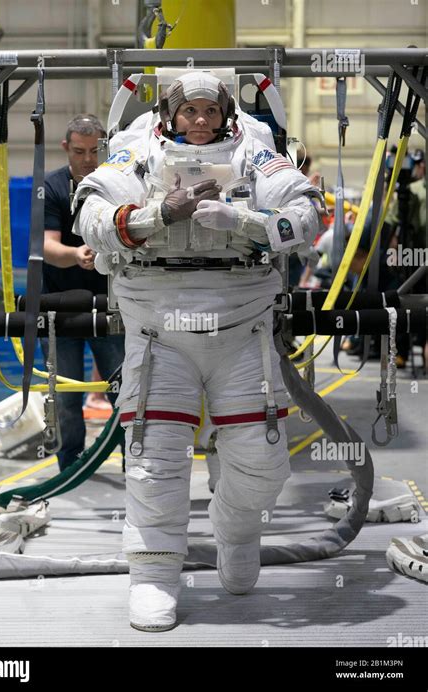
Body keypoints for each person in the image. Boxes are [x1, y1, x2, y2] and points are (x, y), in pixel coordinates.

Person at [73, 72, 323, 631]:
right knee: (154, 459)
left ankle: (236, 530)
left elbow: (308, 213)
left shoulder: (255, 150)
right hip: (161, 327)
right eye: (190, 112)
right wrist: (155, 215)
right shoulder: (136, 150)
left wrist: (247, 221)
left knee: (262, 461)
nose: (202, 121)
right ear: (169, 113)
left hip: (242, 325)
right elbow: (90, 214)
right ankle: (155, 578)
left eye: (212, 111)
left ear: (227, 113)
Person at [41, 114, 125, 471]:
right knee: (65, 397)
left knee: (124, 392)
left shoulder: (118, 186)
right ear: (66, 149)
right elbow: (46, 246)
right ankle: (70, 468)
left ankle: (130, 459)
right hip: (60, 308)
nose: (88, 159)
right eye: (79, 151)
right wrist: (77, 255)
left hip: (110, 307)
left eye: (95, 151)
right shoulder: (51, 187)